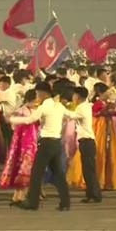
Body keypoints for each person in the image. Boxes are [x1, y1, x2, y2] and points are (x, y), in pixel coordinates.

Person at [10, 82, 72, 211]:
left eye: (38, 93)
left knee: (36, 173)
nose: (37, 96)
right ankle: (65, 202)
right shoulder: (58, 105)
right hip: (56, 143)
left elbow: (29, 120)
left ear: (43, 93)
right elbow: (71, 115)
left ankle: (33, 203)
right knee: (59, 175)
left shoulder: (44, 106)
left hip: (46, 143)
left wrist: (12, 119)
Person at [0, 89, 39, 206]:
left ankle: (18, 196)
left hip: (29, 141)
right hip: (24, 142)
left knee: (25, 167)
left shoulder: (31, 110)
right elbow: (14, 126)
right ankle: (19, 196)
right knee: (24, 167)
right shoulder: (22, 111)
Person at [71, 87, 102, 203]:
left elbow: (71, 116)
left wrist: (59, 109)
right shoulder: (85, 106)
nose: (73, 97)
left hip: (87, 141)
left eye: (74, 95)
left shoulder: (81, 107)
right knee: (87, 170)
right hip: (86, 142)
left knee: (89, 170)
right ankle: (91, 194)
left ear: (78, 96)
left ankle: (95, 194)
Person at [91, 82, 116, 190]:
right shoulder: (97, 103)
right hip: (100, 129)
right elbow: (96, 114)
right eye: (106, 92)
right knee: (101, 151)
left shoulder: (106, 102)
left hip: (108, 127)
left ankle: (107, 180)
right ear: (100, 93)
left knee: (109, 152)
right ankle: (100, 179)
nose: (108, 93)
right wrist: (107, 110)